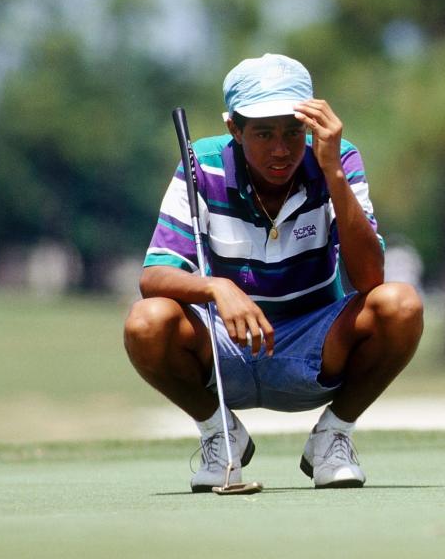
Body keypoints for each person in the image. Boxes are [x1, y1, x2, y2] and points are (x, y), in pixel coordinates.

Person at [123, 53, 423, 491]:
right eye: (263, 133)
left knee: (401, 303)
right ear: (234, 129)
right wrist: (216, 287)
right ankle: (218, 434)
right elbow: (154, 276)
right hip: (225, 342)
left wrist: (333, 171)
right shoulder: (199, 164)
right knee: (145, 321)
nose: (281, 149)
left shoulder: (336, 159)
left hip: (316, 343)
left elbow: (369, 281)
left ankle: (332, 437)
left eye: (293, 131)